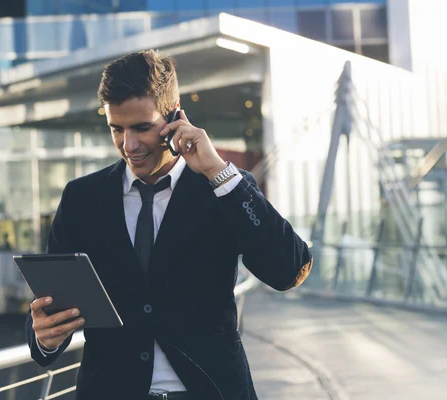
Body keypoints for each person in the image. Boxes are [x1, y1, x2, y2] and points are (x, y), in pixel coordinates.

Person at [25, 50, 313, 400]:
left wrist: (218, 173)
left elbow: (289, 269)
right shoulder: (82, 199)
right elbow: (55, 303)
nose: (129, 145)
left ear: (175, 114)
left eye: (142, 127)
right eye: (117, 129)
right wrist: (43, 334)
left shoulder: (222, 187)